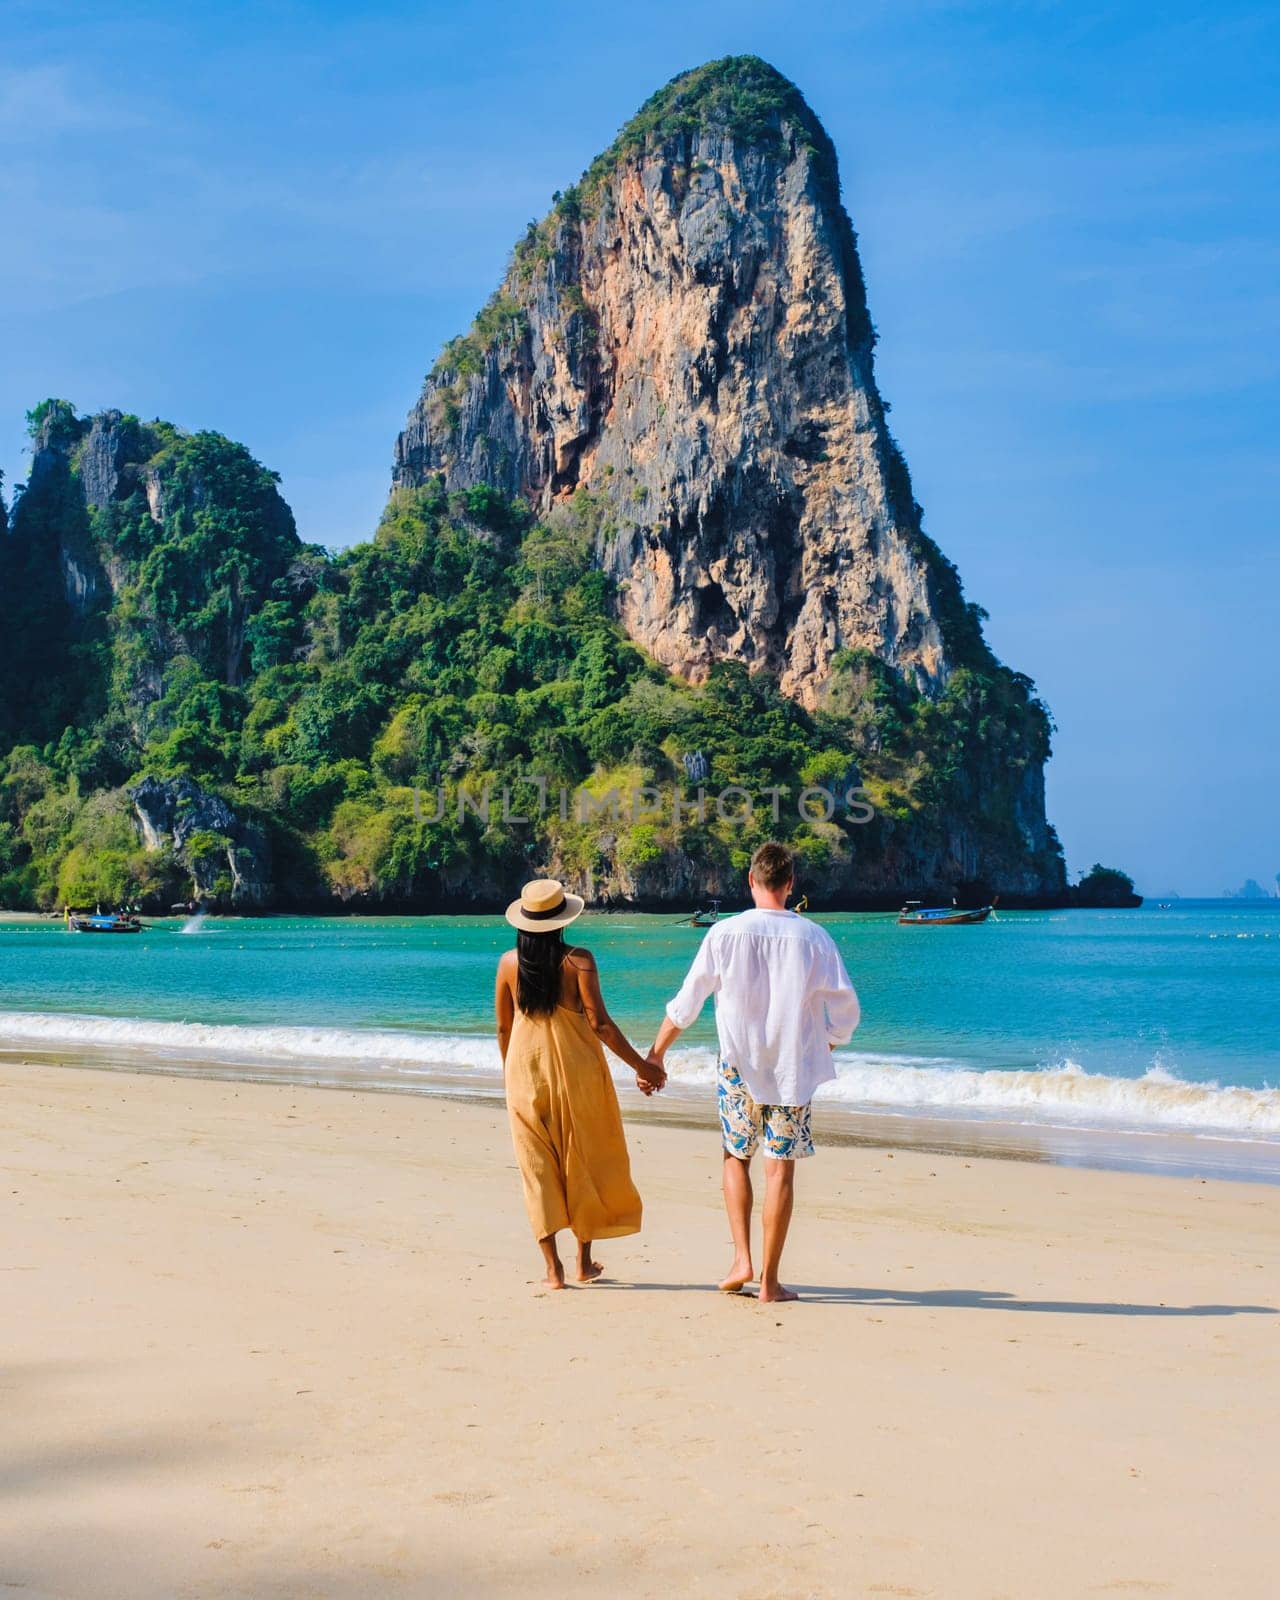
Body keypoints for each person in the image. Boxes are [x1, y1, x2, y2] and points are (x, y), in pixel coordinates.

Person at [647, 842, 860, 1304]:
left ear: (750, 880)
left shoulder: (724, 934)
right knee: (779, 1173)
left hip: (738, 1068)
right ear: (790, 884)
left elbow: (687, 1003)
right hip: (791, 1072)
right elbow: (847, 1010)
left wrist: (655, 1054)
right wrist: (825, 1042)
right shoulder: (814, 937)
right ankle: (768, 1283)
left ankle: (741, 1258)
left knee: (734, 1157)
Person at [496, 877, 666, 1291]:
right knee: (582, 1157)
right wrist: (643, 1066)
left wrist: (512, 1074)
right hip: (578, 1076)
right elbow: (600, 1024)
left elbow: (503, 1027)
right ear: (561, 922)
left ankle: (552, 1268)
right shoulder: (578, 961)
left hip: (524, 1074)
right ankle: (583, 1262)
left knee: (537, 1167)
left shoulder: (507, 964)